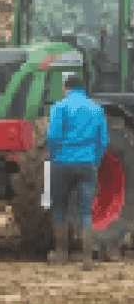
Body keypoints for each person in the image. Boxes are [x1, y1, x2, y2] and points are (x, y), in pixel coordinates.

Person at [46, 70, 109, 268]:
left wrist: (55, 159)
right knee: (85, 212)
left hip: (62, 164)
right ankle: (87, 259)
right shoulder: (96, 109)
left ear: (66, 88)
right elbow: (103, 141)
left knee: (60, 208)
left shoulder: (59, 107)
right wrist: (95, 161)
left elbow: (53, 138)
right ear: (83, 88)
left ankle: (61, 254)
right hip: (87, 164)